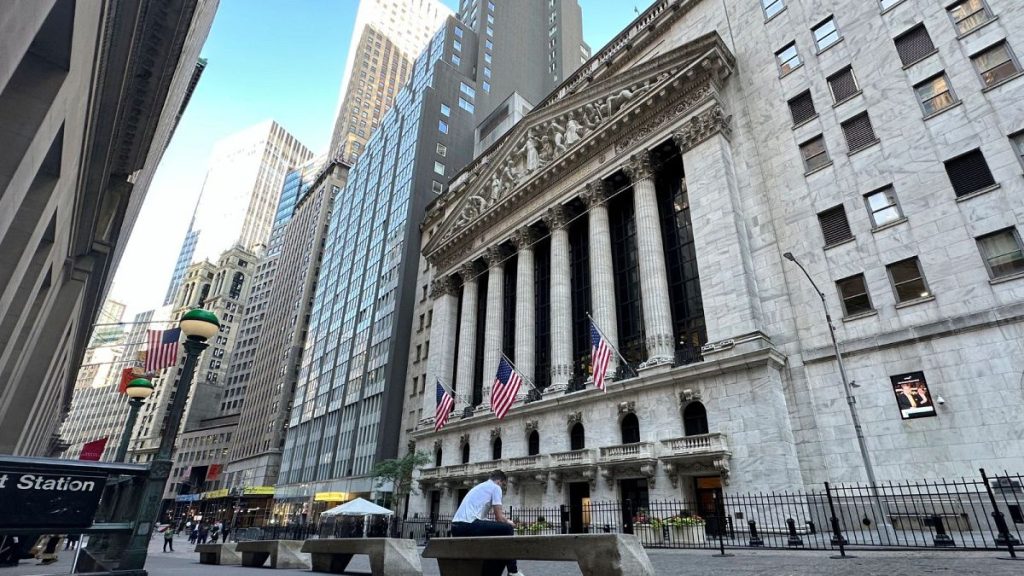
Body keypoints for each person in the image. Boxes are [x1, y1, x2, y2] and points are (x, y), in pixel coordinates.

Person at [450, 470, 523, 576]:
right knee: (507, 529)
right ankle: (513, 571)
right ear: (499, 481)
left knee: (498, 539)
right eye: (503, 485)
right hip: (467, 524)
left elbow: (482, 518)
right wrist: (509, 522)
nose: (503, 488)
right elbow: (499, 517)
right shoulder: (495, 487)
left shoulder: (480, 487)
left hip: (456, 526)